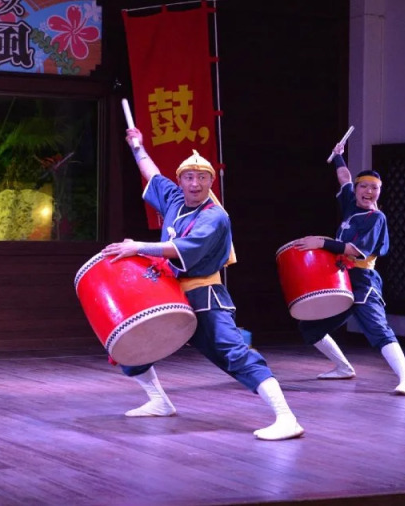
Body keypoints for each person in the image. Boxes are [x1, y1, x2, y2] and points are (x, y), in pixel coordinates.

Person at [100, 127, 304, 441]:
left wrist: (139, 247)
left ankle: (286, 417)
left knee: (235, 353)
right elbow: (152, 174)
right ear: (180, 181)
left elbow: (185, 247)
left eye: (202, 178)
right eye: (189, 177)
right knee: (132, 344)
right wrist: (137, 146)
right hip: (169, 292)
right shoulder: (174, 199)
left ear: (211, 182)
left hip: (203, 294)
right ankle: (158, 401)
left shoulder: (215, 216)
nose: (195, 184)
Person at [291, 141, 405, 396]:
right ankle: (343, 367)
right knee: (310, 327)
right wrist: (338, 155)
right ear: (357, 190)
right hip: (340, 279)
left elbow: (355, 250)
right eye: (364, 186)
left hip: (362, 280)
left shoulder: (376, 218)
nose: (369, 191)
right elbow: (344, 177)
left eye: (374, 188)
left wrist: (322, 243)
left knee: (377, 328)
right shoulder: (350, 205)